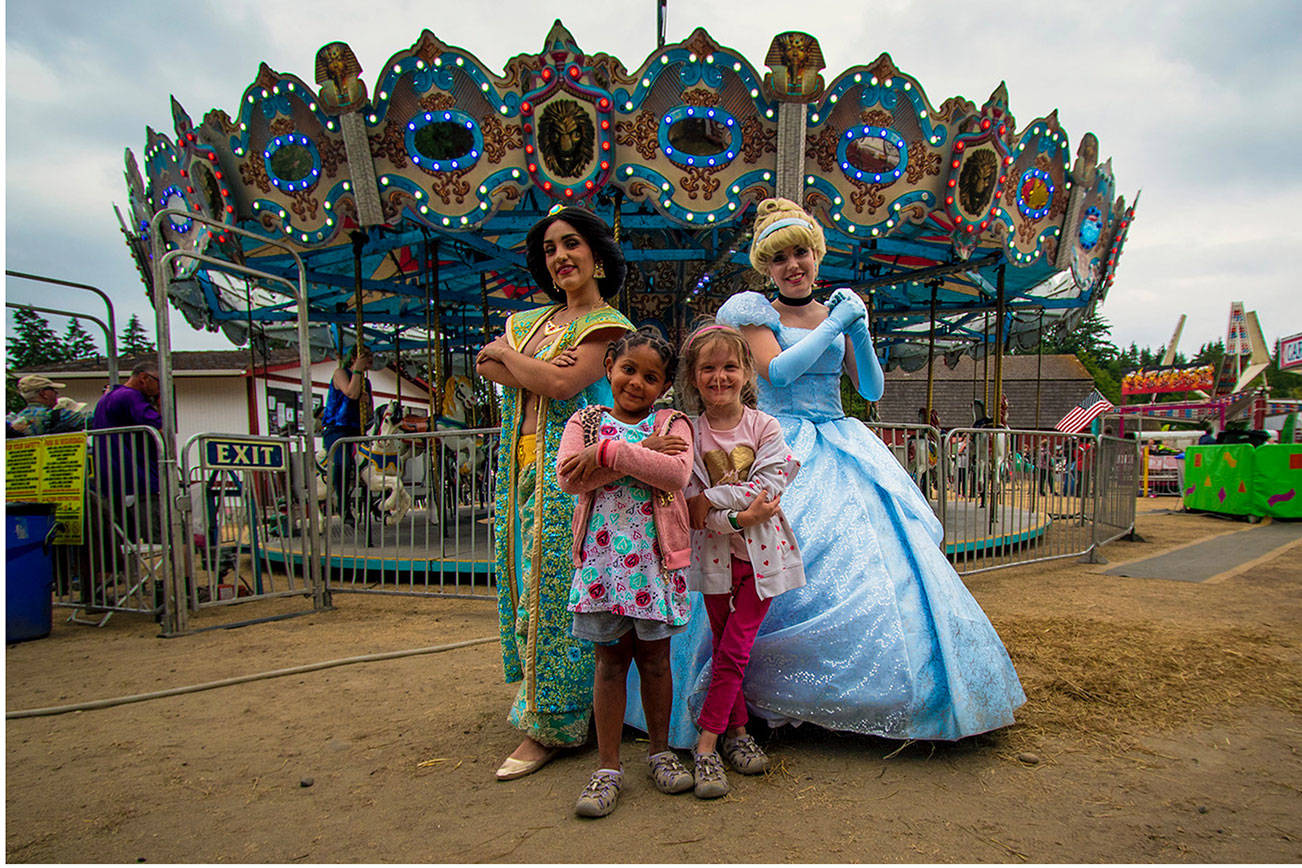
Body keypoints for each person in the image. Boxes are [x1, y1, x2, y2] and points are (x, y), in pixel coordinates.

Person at [662, 197, 1024, 744]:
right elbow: (778, 373)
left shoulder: (841, 310)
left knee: (876, 561)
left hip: (841, 439)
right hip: (775, 444)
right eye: (779, 258)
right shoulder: (754, 312)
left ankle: (865, 693)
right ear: (767, 266)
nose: (793, 266)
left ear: (816, 254)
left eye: (800, 252)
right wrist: (837, 321)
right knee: (756, 560)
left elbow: (871, 390)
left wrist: (858, 327)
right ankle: (739, 701)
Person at [476, 205, 634, 781]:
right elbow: (485, 366)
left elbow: (565, 383)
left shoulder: (608, 324)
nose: (561, 257)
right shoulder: (531, 323)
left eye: (571, 244)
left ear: (596, 253)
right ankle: (557, 701)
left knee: (560, 595)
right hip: (519, 470)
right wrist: (529, 365)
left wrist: (514, 361)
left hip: (572, 473)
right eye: (549, 250)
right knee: (525, 584)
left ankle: (554, 723)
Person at [555, 329, 694, 818]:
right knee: (610, 663)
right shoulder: (585, 419)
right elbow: (569, 477)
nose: (637, 383)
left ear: (663, 386)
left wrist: (606, 453)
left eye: (651, 377)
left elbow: (675, 474)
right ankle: (608, 768)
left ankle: (660, 752)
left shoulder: (673, 421)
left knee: (656, 661)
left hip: (653, 567)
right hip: (602, 565)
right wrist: (641, 452)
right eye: (629, 369)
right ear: (610, 364)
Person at [678, 322, 803, 799]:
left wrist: (714, 502)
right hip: (714, 560)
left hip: (761, 557)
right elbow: (689, 506)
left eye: (730, 366)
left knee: (735, 647)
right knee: (725, 642)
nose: (719, 377)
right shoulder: (688, 431)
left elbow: (771, 486)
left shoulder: (765, 426)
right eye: (708, 368)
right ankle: (737, 732)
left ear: (746, 372)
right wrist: (735, 515)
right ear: (693, 376)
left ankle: (706, 746)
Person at [321, 345, 374, 521]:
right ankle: (343, 505)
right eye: (367, 357)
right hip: (337, 430)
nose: (370, 361)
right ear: (355, 358)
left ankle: (375, 502)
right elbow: (351, 393)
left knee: (375, 460)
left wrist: (366, 403)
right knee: (343, 462)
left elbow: (369, 414)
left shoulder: (366, 383)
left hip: (356, 430)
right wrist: (357, 369)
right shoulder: (340, 373)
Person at [6, 375, 91, 437]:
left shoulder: (14, 420)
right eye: (52, 390)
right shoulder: (56, 415)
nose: (56, 393)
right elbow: (92, 420)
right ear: (43, 393)